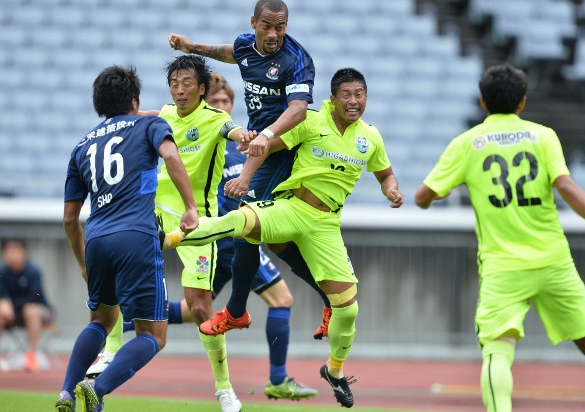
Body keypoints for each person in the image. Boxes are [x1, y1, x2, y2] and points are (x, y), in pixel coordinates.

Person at [163, 68, 405, 408]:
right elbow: (266, 146)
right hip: (292, 208)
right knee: (239, 221)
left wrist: (391, 190)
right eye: (346, 95)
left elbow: (386, 173)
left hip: (326, 226)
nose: (353, 101)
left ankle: (334, 371)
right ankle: (169, 238)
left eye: (359, 95)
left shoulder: (371, 137)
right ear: (332, 99)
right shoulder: (310, 121)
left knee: (348, 310)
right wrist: (246, 180)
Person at [414, 62, 585, 412]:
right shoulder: (543, 136)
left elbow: (423, 196)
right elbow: (565, 184)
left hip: (503, 268)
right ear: (522, 102)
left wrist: (440, 193)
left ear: (482, 102)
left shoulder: (466, 144)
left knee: (497, 350)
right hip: (553, 261)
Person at [86, 72, 317, 401]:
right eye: (217, 101)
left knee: (199, 308)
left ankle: (128, 324)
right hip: (208, 233)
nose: (222, 106)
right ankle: (272, 379)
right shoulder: (185, 130)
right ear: (205, 102)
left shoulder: (236, 147)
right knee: (246, 303)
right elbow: (147, 118)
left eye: (227, 102)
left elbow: (257, 170)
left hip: (226, 237)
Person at [168, 0, 334, 341]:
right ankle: (330, 299)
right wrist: (191, 47)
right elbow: (229, 53)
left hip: (287, 147)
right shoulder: (246, 47)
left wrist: (267, 137)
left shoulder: (296, 59)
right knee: (276, 240)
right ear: (253, 23)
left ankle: (236, 311)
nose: (274, 34)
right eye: (267, 26)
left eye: (281, 27)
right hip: (263, 145)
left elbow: (299, 110)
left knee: (247, 220)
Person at [56, 65, 199, 412]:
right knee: (153, 335)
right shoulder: (150, 125)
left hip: (98, 240)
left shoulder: (82, 146)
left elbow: (70, 218)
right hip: (136, 236)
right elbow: (170, 155)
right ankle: (98, 389)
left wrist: (82, 262)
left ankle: (65, 391)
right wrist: (190, 207)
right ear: (135, 101)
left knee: (102, 322)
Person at [0, 238, 54, 372]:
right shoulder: (2, 273)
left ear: (23, 253)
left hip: (39, 312)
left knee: (31, 310)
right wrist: (3, 302)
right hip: (12, 315)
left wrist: (11, 303)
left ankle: (31, 355)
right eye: (9, 251)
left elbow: (36, 296)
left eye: (16, 251)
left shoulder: (33, 272)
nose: (13, 255)